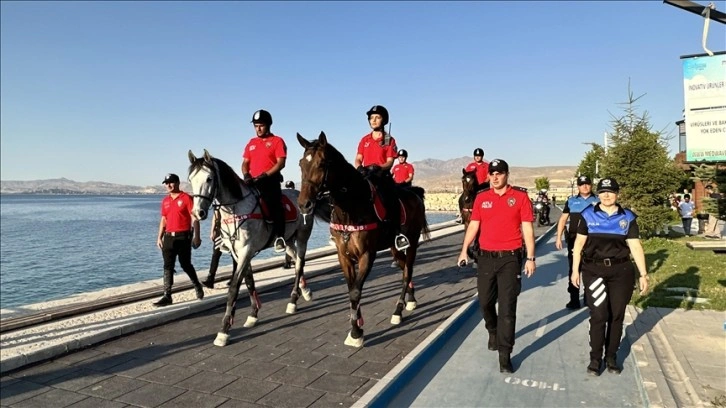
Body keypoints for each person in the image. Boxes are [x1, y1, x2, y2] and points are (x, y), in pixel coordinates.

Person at [457, 159, 536, 374]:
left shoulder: (520, 197)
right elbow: (474, 225)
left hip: (510, 258)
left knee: (508, 308)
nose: (495, 176)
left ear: (507, 174)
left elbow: (527, 228)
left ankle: (505, 354)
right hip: (485, 258)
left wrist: (530, 257)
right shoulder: (482, 198)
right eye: (492, 173)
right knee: (485, 302)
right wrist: (464, 250)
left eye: (499, 173)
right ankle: (492, 330)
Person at [571, 177, 649, 376]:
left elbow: (635, 246)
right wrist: (574, 270)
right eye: (603, 192)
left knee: (616, 315)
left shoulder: (628, 218)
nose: (607, 195)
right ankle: (595, 359)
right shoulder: (587, 215)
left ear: (617, 194)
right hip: (594, 271)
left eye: (611, 191)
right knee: (599, 315)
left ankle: (611, 356)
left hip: (621, 272)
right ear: (598, 194)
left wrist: (643, 274)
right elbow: (578, 245)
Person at [354, 105, 409, 250]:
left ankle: (398, 234)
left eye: (377, 117)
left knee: (392, 199)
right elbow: (358, 158)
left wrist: (379, 167)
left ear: (384, 120)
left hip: (382, 177)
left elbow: (390, 161)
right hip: (365, 176)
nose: (373, 120)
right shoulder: (364, 139)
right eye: (371, 118)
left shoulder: (389, 140)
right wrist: (359, 167)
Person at [154, 173, 204, 306]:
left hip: (184, 237)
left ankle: (197, 285)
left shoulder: (187, 198)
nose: (168, 185)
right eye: (166, 183)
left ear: (177, 183)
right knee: (168, 266)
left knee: (185, 264)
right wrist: (159, 237)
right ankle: (167, 295)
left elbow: (195, 218)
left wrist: (197, 236)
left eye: (171, 182)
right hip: (169, 237)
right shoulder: (165, 201)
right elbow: (164, 219)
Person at [242, 109, 287, 253]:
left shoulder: (277, 141)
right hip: (252, 181)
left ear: (268, 125)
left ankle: (280, 237)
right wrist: (246, 174)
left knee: (275, 204)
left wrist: (265, 175)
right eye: (256, 125)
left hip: (270, 181)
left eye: (261, 125)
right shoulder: (251, 143)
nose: (258, 128)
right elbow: (245, 163)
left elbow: (281, 163)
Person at [555, 175, 599, 310]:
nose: (584, 186)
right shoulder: (572, 201)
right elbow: (563, 219)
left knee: (591, 269)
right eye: (581, 184)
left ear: (591, 185)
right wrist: (559, 237)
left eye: (587, 183)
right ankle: (574, 299)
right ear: (578, 186)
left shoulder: (598, 200)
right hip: (574, 239)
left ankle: (588, 298)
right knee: (574, 269)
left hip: (592, 239)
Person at [202, 204, 237, 288]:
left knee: (234, 255)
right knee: (216, 255)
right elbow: (215, 216)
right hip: (220, 231)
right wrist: (212, 230)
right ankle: (210, 278)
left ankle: (235, 278)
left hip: (232, 230)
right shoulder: (218, 203)